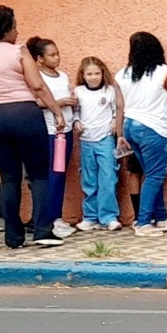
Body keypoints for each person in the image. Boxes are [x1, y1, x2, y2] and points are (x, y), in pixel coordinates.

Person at [0, 7, 68, 248]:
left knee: (10, 178)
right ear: (6, 29)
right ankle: (43, 231)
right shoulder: (19, 50)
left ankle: (13, 237)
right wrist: (56, 110)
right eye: (14, 26)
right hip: (24, 113)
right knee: (39, 175)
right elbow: (36, 85)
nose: (17, 31)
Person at [119, 30, 167, 237]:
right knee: (155, 175)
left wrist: (120, 131)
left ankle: (162, 217)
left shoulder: (122, 74)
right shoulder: (161, 71)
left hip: (130, 126)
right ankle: (144, 222)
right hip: (153, 128)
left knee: (150, 173)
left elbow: (120, 105)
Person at [28, 37, 78, 239]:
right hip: (50, 132)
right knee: (53, 174)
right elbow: (34, 102)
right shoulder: (37, 78)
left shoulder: (63, 76)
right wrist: (58, 103)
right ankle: (49, 218)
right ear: (39, 58)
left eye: (57, 54)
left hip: (65, 130)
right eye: (52, 55)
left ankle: (56, 215)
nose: (57, 58)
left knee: (61, 173)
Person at [72, 56, 124, 233]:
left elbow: (116, 110)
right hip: (87, 140)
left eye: (96, 73)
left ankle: (109, 216)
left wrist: (115, 121)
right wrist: (76, 122)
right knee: (89, 180)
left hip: (105, 139)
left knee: (108, 177)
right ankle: (90, 216)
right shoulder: (78, 91)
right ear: (83, 75)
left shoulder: (109, 91)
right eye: (89, 74)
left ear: (102, 73)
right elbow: (76, 111)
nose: (93, 77)